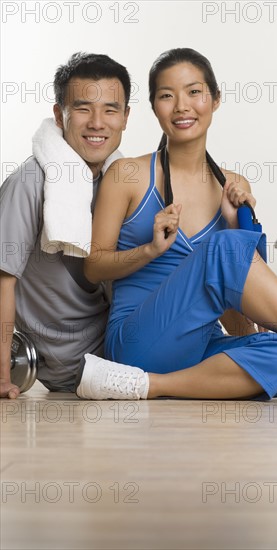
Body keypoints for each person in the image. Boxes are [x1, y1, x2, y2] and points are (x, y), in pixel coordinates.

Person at [77, 47, 277, 402]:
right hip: (136, 340)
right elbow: (93, 267)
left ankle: (142, 385)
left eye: (194, 92)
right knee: (225, 250)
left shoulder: (232, 186)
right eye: (167, 96)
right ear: (154, 109)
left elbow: (237, 298)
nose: (182, 105)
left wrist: (235, 226)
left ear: (215, 100)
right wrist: (150, 250)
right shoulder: (128, 175)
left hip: (197, 344)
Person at [0, 52, 131, 399]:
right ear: (60, 116)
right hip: (74, 361)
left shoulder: (120, 180)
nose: (97, 123)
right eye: (84, 108)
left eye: (110, 110)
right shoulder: (29, 182)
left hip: (118, 335)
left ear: (125, 118)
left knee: (211, 239)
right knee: (219, 255)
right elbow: (3, 279)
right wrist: (2, 374)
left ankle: (253, 345)